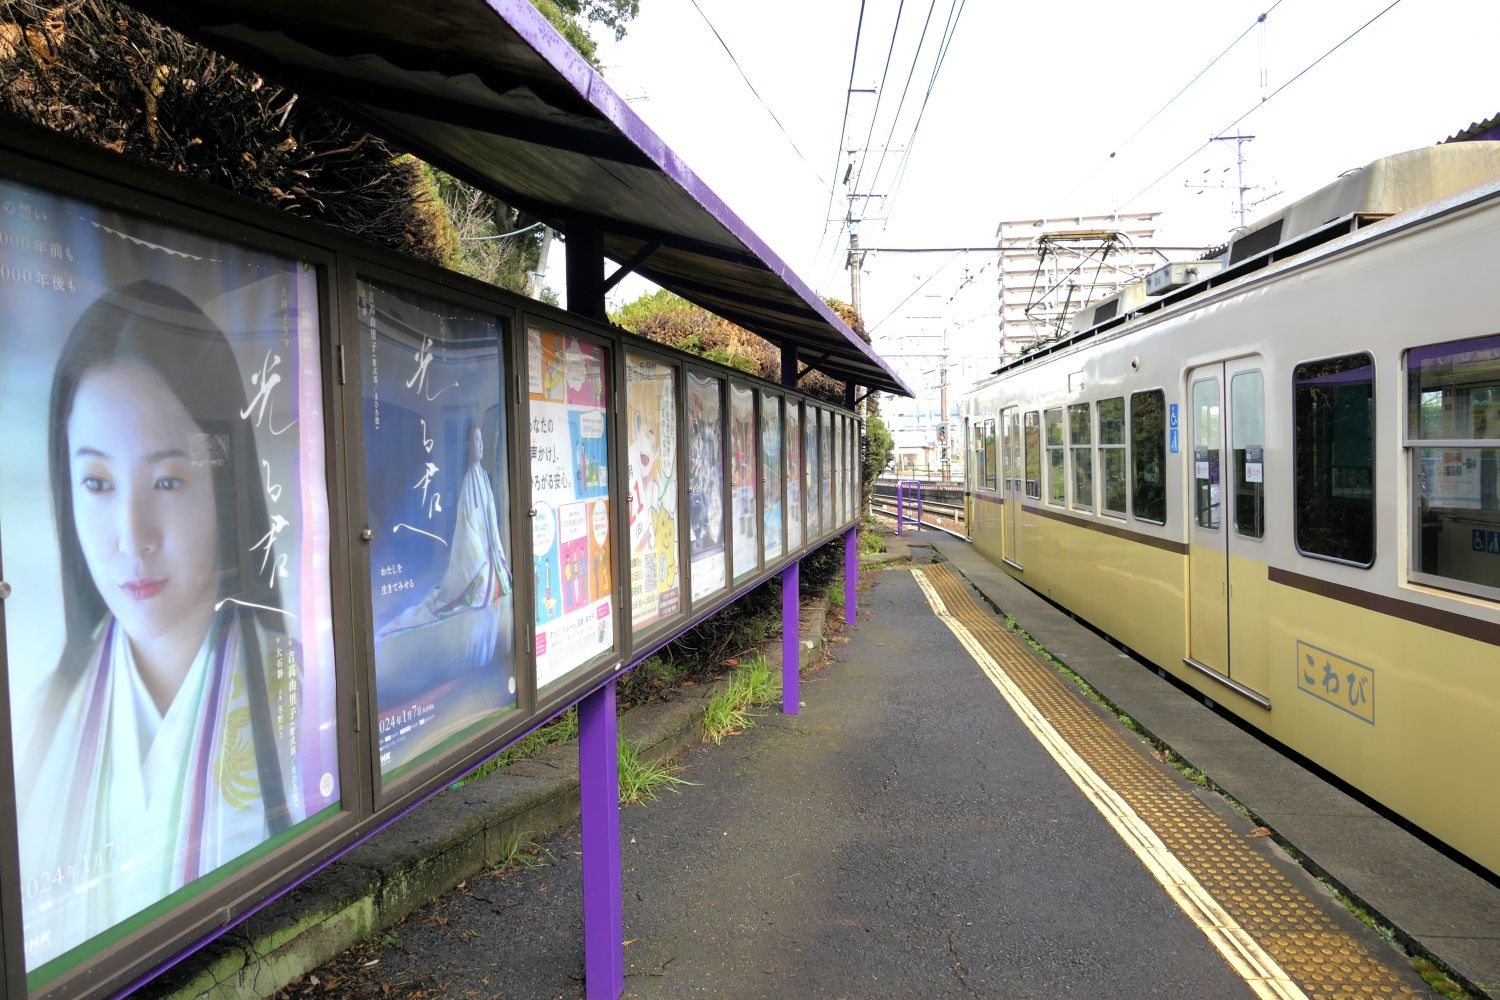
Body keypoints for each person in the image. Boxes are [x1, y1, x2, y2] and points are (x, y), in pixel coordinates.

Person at [17, 280, 303, 969]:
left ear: (223, 485)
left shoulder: (300, 686)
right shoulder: (39, 723)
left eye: (168, 480)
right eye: (97, 483)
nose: (132, 536)